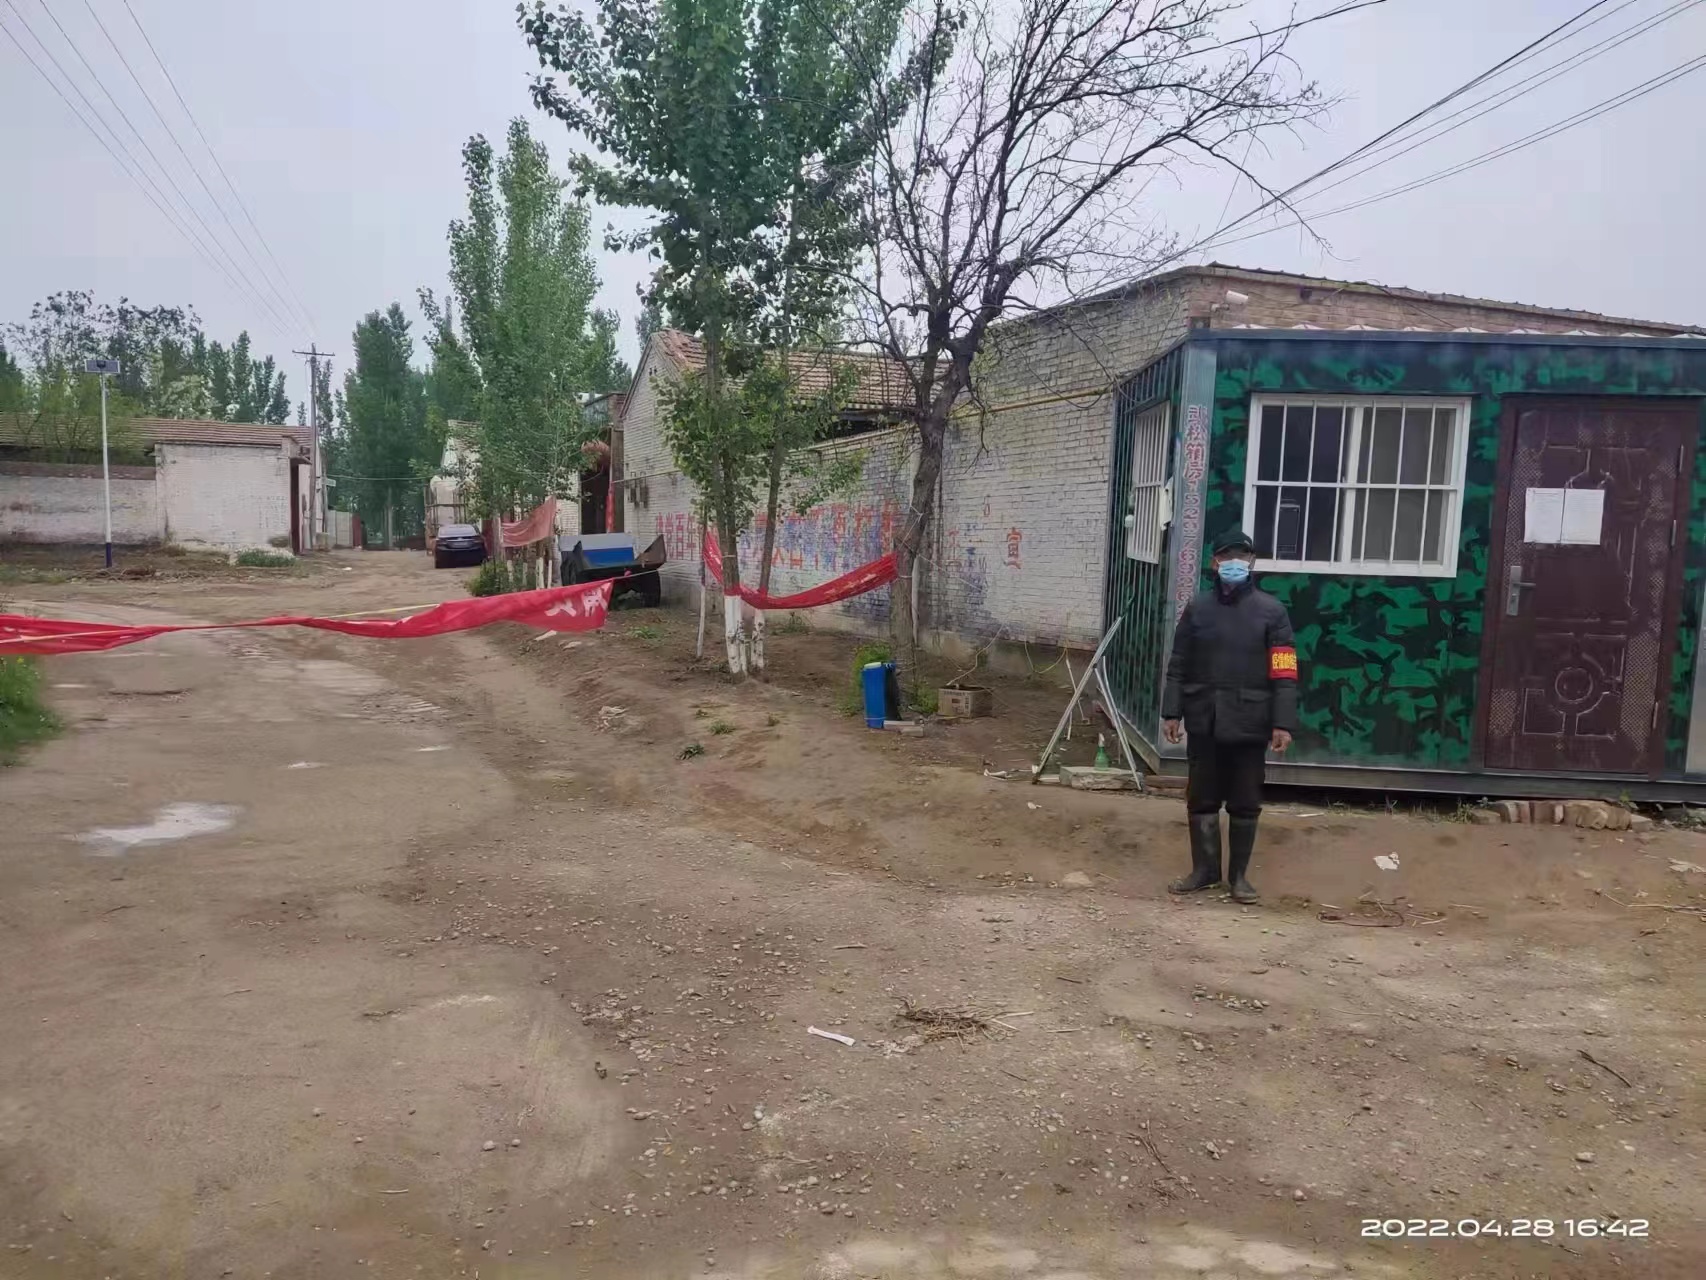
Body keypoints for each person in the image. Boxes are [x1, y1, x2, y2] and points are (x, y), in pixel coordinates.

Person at [1160, 528, 1298, 903]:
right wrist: (1172, 712)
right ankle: (1204, 871)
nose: (1234, 562)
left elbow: (1285, 672)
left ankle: (1238, 878)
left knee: (1245, 802)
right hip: (1204, 719)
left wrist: (1282, 723)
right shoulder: (1197, 609)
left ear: (1252, 562)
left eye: (1242, 556)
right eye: (1226, 556)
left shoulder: (1272, 611)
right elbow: (1178, 664)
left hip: (1251, 723)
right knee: (1201, 798)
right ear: (1214, 562)